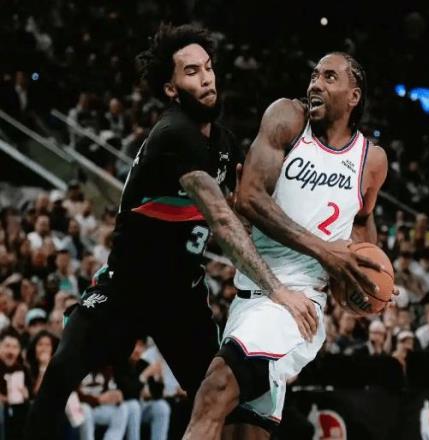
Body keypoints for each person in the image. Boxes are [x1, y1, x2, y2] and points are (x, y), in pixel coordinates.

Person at [24, 23, 315, 440]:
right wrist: (278, 290)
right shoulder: (173, 133)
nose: (207, 78)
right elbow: (221, 219)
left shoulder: (225, 144)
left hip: (181, 297)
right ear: (171, 89)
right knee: (59, 375)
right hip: (126, 287)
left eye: (208, 67)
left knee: (224, 400)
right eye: (192, 71)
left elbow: (246, 214)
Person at [184, 52, 389, 439]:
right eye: (314, 75)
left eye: (329, 77)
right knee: (243, 431)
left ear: (354, 96)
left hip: (299, 304)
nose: (315, 84)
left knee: (215, 390)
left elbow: (362, 223)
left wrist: (364, 278)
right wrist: (324, 250)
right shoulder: (288, 118)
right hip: (250, 294)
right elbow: (250, 197)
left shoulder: (371, 161)